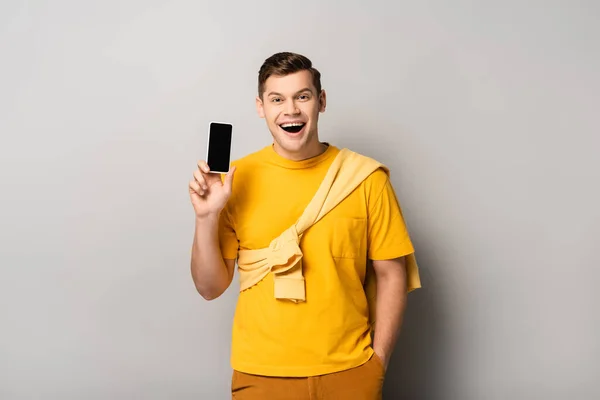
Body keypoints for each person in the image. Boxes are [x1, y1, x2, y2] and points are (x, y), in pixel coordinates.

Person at [188, 52, 421, 399]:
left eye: (303, 96)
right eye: (277, 99)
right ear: (260, 107)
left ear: (321, 101)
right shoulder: (232, 181)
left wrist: (378, 362)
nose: (291, 110)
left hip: (350, 372)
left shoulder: (365, 179)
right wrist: (206, 217)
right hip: (261, 375)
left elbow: (391, 273)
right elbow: (209, 287)